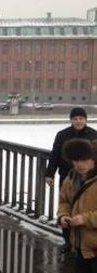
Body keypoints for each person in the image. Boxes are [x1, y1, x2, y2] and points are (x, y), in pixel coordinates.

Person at [46, 107, 97, 252]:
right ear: (71, 120)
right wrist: (50, 173)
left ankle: (87, 243)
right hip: (67, 177)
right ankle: (69, 241)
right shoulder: (62, 135)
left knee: (87, 208)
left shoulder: (94, 135)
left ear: (86, 119)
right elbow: (55, 154)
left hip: (90, 179)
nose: (78, 121)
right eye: (75, 118)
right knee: (67, 206)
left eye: (81, 118)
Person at [57, 139, 97, 273]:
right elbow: (64, 201)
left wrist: (86, 219)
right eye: (76, 161)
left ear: (93, 158)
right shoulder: (71, 178)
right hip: (80, 247)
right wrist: (63, 216)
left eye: (85, 160)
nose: (80, 165)